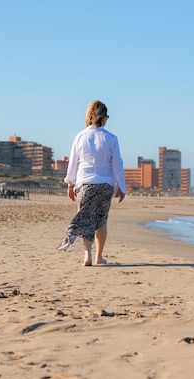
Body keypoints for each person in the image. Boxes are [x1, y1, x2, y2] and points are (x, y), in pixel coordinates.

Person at [57, 99, 126, 266]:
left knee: (87, 218)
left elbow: (73, 163)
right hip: (105, 185)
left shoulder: (80, 137)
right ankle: (98, 257)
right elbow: (118, 164)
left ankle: (87, 255)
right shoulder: (111, 138)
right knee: (101, 220)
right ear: (103, 117)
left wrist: (70, 184)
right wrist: (122, 187)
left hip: (85, 185)